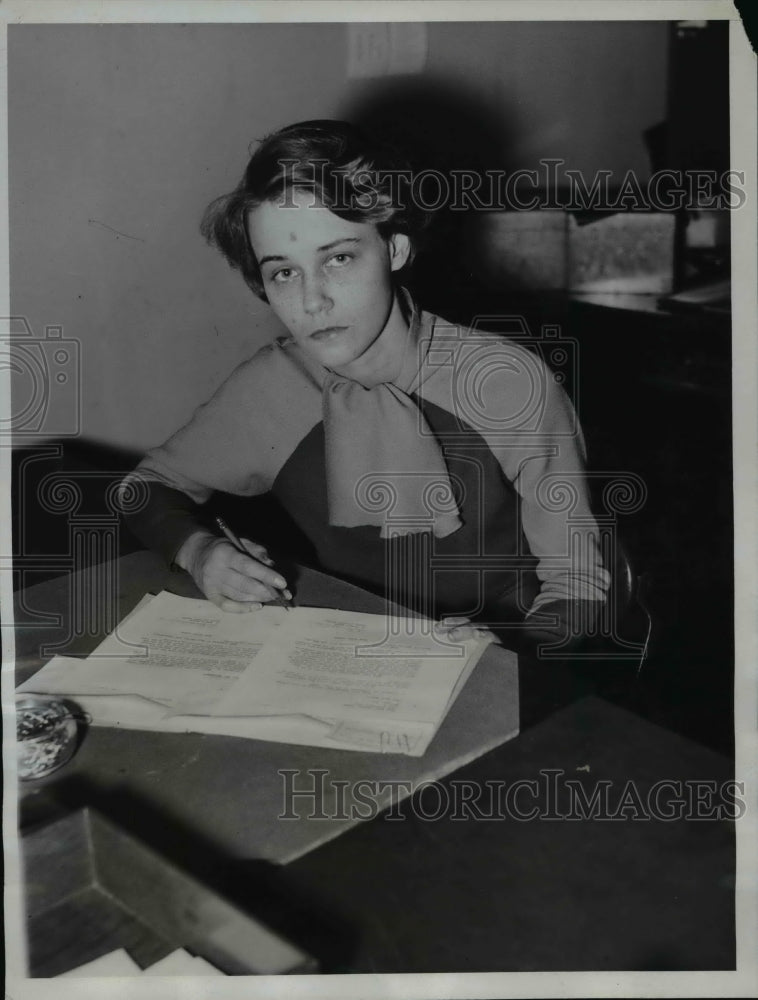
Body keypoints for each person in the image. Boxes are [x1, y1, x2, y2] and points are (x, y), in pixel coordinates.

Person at [121, 119, 610, 651]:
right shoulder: (271, 388)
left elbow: (578, 582)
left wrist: (510, 644)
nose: (312, 301)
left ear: (395, 250)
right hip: (343, 648)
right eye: (284, 272)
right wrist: (199, 552)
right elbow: (143, 488)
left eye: (338, 258)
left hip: (508, 652)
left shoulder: (506, 382)